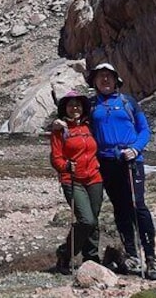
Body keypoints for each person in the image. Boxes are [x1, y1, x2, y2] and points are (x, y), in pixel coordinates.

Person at [85, 62, 156, 280]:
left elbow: (144, 130)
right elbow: (78, 127)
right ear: (95, 81)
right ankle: (131, 254)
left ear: (116, 80)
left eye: (108, 76)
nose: (105, 80)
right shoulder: (91, 106)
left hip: (131, 161)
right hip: (106, 162)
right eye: (100, 76)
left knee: (138, 206)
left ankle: (151, 257)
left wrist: (135, 149)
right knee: (120, 207)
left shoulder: (128, 102)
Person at [49, 90, 103, 274]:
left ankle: (92, 257)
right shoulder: (60, 131)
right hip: (72, 179)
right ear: (65, 108)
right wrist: (65, 166)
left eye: (78, 105)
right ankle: (66, 253)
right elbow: (55, 158)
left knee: (94, 220)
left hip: (94, 178)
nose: (75, 108)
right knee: (86, 220)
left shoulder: (90, 126)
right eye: (71, 105)